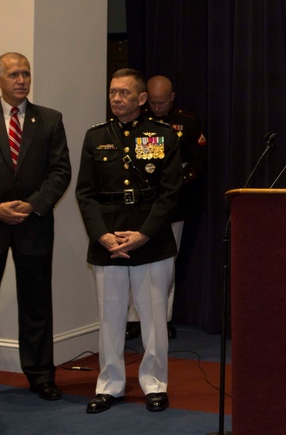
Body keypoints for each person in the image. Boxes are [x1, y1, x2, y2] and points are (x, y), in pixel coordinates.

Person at [75, 69, 182, 414]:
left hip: (149, 238)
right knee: (110, 317)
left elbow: (169, 193)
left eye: (123, 93)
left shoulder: (162, 135)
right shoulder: (95, 137)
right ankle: (110, 385)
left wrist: (143, 234)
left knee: (153, 318)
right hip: (109, 239)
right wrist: (102, 235)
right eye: (112, 92)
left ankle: (154, 384)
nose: (116, 98)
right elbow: (86, 194)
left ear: (141, 99)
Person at [0, 53, 71, 401]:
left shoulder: (50, 120)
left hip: (34, 224)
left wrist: (34, 204)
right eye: (13, 74)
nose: (21, 80)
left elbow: (60, 172)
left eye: (26, 73)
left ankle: (41, 376)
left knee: (36, 303)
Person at [124, 75, 206, 341]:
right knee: (135, 261)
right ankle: (134, 319)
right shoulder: (138, 123)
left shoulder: (188, 123)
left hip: (174, 204)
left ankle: (164, 318)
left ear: (172, 98)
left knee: (166, 264)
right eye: (153, 102)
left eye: (162, 102)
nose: (157, 108)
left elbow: (197, 163)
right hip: (140, 204)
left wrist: (173, 185)